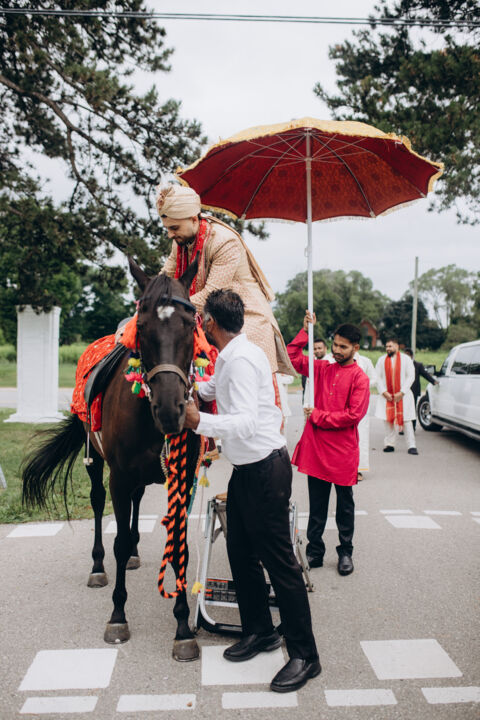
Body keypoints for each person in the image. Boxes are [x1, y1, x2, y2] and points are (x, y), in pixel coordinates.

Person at [183, 290, 320, 694]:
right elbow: (215, 388)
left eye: (202, 319)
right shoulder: (232, 355)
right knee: (240, 553)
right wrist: (190, 386)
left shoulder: (241, 360)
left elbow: (242, 422)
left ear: (209, 323)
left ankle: (306, 655)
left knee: (280, 564)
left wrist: (198, 422)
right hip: (246, 472)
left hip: (264, 471)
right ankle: (260, 631)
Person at [156, 182, 294, 379]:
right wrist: (148, 305)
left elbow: (210, 295)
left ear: (194, 219)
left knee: (240, 382)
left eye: (174, 228)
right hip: (209, 319)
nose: (170, 234)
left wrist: (166, 305)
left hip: (243, 321)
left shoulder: (224, 241)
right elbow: (164, 278)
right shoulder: (180, 242)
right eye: (167, 229)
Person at [287, 311, 370, 576]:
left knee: (345, 507)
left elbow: (353, 415)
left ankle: (345, 552)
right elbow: (291, 357)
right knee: (317, 506)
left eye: (343, 347)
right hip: (318, 449)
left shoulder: (360, 378)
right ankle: (315, 551)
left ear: (355, 348)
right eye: (335, 344)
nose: (336, 350)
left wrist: (318, 416)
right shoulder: (321, 368)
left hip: (344, 452)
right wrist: (305, 332)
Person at [375, 338, 418, 454]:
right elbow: (377, 377)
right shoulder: (381, 360)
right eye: (386, 346)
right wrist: (384, 392)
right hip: (387, 396)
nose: (388, 348)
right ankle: (390, 444)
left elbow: (411, 376)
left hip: (403, 396)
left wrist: (402, 392)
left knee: (407, 421)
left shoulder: (406, 359)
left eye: (390, 346)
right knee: (388, 421)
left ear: (397, 347)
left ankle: (411, 445)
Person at [354, 352, 377, 481]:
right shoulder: (334, 358)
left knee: (361, 437)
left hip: (360, 403)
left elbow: (374, 379)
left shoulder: (365, 361)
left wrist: (361, 384)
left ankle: (358, 469)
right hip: (341, 402)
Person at [404, 348, 439, 430]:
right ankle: (403, 427)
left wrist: (433, 381)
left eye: (408, 355)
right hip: (403, 391)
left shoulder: (418, 365)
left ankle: (412, 427)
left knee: (412, 409)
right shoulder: (401, 365)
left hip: (414, 391)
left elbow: (425, 374)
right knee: (404, 409)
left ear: (411, 356)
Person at [302, 338, 329, 406]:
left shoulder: (331, 363)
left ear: (325, 348)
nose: (317, 351)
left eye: (319, 348)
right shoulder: (311, 363)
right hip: (311, 402)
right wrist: (305, 403)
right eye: (315, 349)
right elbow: (306, 386)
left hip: (326, 402)